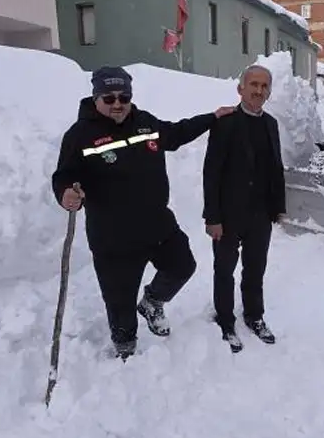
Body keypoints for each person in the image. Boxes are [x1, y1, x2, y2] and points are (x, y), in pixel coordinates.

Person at [52, 66, 235, 359]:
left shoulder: (144, 123)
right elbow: (63, 176)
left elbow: (176, 133)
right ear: (96, 97)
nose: (117, 104)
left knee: (182, 266)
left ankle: (152, 302)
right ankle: (125, 353)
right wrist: (66, 194)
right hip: (113, 237)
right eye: (109, 98)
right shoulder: (80, 135)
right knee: (120, 303)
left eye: (123, 97)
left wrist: (212, 118)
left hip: (156, 224)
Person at [202, 64, 285, 353]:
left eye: (264, 86)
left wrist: (278, 206)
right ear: (241, 89)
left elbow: (275, 167)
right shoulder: (225, 123)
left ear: (269, 92)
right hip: (228, 215)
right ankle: (225, 320)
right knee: (224, 269)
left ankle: (254, 315)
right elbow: (211, 172)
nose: (259, 91)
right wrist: (212, 217)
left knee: (255, 268)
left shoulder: (271, 124)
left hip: (260, 213)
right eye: (254, 85)